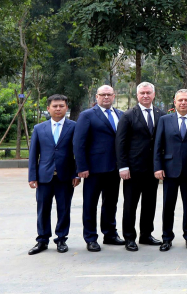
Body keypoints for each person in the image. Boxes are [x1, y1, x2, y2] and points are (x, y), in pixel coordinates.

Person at [73, 84, 125, 252]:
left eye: (109, 94)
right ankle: (90, 238)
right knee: (90, 204)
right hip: (93, 169)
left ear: (114, 96)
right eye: (102, 95)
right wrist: (81, 167)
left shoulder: (120, 115)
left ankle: (110, 234)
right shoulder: (87, 115)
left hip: (114, 168)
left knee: (111, 203)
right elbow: (79, 143)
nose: (106, 97)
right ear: (97, 97)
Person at [154, 89, 187, 251]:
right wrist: (158, 167)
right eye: (180, 100)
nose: (183, 103)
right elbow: (158, 145)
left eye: (186, 100)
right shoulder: (164, 120)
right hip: (169, 170)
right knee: (168, 206)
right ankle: (166, 238)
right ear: (175, 102)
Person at [27, 94, 79, 254]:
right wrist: (32, 176)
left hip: (65, 176)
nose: (58, 109)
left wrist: (76, 174)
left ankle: (61, 239)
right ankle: (42, 240)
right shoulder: (39, 128)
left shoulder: (74, 127)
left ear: (66, 108)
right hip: (44, 177)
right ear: (48, 108)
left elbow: (79, 152)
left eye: (61, 106)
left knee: (64, 209)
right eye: (55, 106)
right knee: (43, 209)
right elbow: (33, 154)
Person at [115, 82, 163, 251]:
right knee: (130, 204)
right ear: (137, 95)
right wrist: (123, 166)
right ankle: (129, 237)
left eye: (148, 92)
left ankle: (146, 234)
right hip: (133, 169)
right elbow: (120, 142)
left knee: (150, 203)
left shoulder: (161, 115)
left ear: (154, 94)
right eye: (142, 93)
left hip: (153, 169)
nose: (145, 95)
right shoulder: (128, 115)